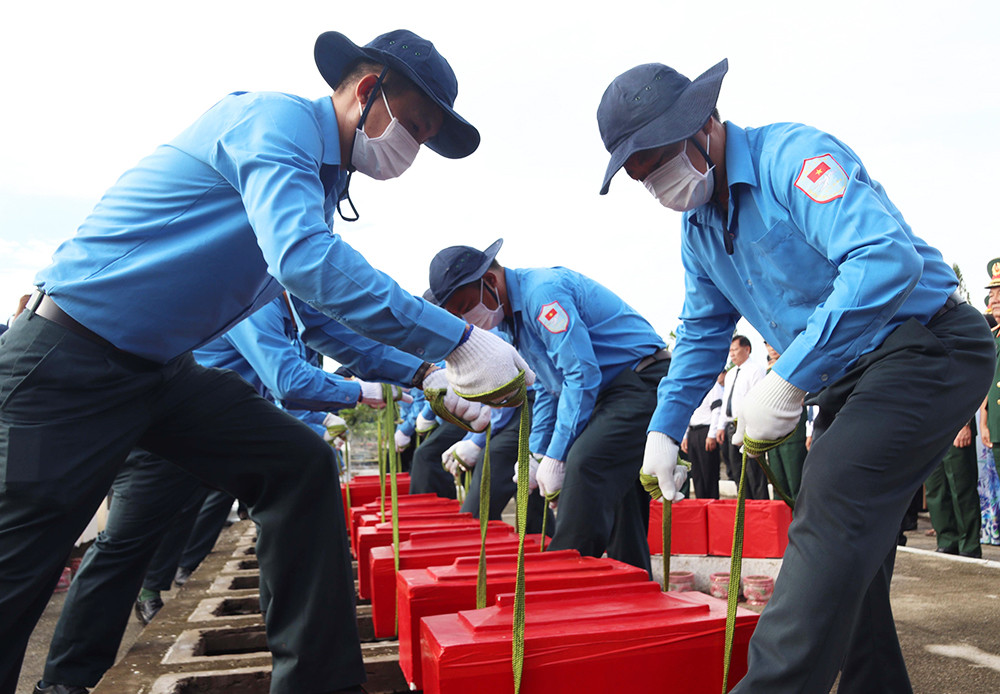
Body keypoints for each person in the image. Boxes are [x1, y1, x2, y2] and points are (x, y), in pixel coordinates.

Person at [0, 28, 534, 694]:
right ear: (368, 92)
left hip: (158, 374)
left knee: (297, 467)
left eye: (425, 141)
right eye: (414, 127)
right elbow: (305, 263)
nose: (412, 150)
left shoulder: (313, 190)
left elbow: (318, 314)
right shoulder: (271, 123)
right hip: (69, 356)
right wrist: (452, 340)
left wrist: (423, 373)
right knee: (19, 568)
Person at [598, 58, 994, 692]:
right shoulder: (698, 230)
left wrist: (793, 376)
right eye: (643, 178)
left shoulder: (793, 158)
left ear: (703, 122)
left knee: (832, 498)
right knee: (845, 557)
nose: (659, 184)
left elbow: (885, 259)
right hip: (854, 375)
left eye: (659, 158)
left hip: (928, 345)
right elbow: (701, 333)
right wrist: (664, 431)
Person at [33, 293, 429, 693]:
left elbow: (343, 340)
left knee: (292, 489)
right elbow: (286, 380)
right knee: (125, 545)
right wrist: (358, 391)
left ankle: (308, 669)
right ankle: (64, 680)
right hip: (168, 425)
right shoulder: (253, 301)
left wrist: (422, 372)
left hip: (217, 427)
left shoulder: (295, 310)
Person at [427, 239, 671, 573]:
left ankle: (561, 576)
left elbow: (581, 374)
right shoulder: (512, 323)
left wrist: (556, 455)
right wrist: (537, 453)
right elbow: (545, 388)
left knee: (585, 464)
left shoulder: (542, 296)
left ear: (490, 281)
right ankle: (634, 585)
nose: (467, 317)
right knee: (620, 499)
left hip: (640, 380)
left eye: (465, 305)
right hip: (607, 392)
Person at [716, 336, 768, 499]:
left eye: (735, 350)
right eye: (730, 350)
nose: (732, 354)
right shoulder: (730, 374)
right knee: (737, 470)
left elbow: (758, 399)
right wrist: (720, 425)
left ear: (747, 349)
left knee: (754, 472)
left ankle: (760, 508)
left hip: (748, 427)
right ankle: (745, 508)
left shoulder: (756, 370)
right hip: (731, 426)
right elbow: (727, 401)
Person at [762, 341, 807, 500]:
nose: (772, 348)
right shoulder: (766, 371)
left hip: (793, 434)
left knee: (796, 484)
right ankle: (780, 523)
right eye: (767, 344)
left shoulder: (799, 364)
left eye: (774, 342)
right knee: (778, 486)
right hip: (773, 437)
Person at [681, 371, 724, 499]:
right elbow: (687, 413)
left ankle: (712, 504)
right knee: (697, 474)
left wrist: (711, 435)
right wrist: (685, 436)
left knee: (709, 473)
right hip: (692, 432)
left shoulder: (713, 386)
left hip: (706, 431)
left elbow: (717, 411)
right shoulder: (691, 387)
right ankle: (700, 504)